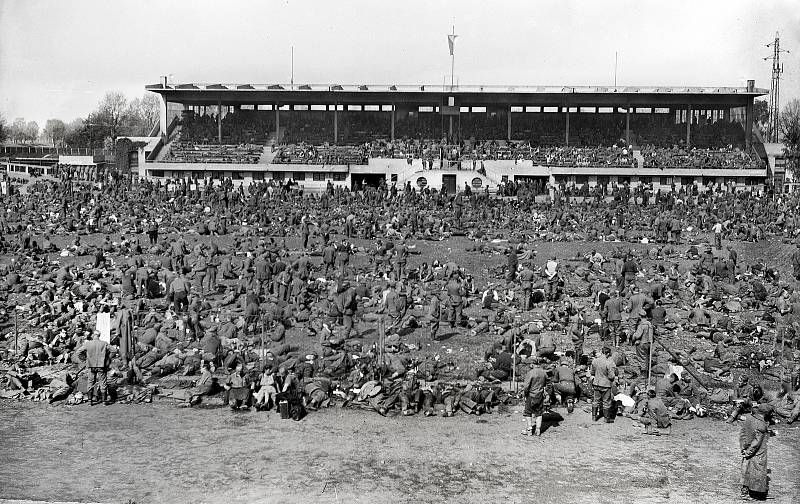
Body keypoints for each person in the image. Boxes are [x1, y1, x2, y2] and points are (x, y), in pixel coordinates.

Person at [739, 403, 773, 500]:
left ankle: (744, 491)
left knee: (746, 471)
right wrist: (749, 452)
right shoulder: (762, 424)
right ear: (767, 414)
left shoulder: (749, 418)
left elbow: (743, 433)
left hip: (747, 448)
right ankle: (754, 495)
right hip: (757, 452)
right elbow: (757, 442)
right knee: (757, 472)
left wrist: (743, 448)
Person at [78, 330, 110, 406]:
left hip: (91, 365)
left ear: (93, 335)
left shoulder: (88, 343)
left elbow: (78, 351)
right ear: (99, 335)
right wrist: (107, 358)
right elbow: (114, 350)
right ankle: (104, 402)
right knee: (103, 383)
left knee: (90, 382)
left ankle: (90, 401)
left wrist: (84, 359)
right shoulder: (104, 343)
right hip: (101, 365)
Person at [522, 358, 550, 436]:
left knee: (528, 413)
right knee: (539, 413)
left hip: (531, 395)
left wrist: (525, 394)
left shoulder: (530, 373)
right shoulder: (543, 372)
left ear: (532, 364)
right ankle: (538, 430)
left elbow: (526, 386)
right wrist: (544, 390)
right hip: (540, 395)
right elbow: (548, 383)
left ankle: (529, 430)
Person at [590, 346, 617, 423]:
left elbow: (592, 372)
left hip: (596, 383)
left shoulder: (595, 361)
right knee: (606, 402)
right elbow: (611, 376)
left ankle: (594, 417)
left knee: (595, 400)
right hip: (605, 384)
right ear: (608, 353)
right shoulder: (609, 362)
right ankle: (606, 418)